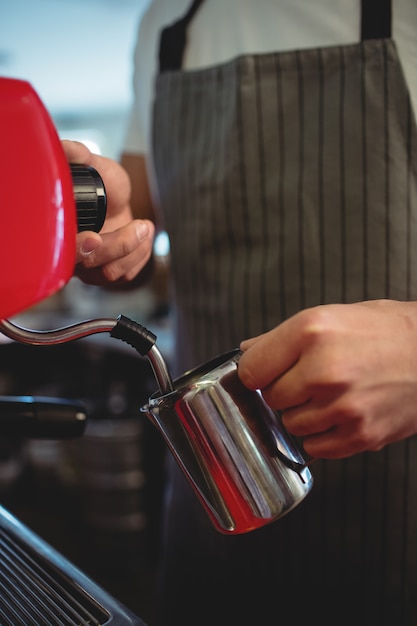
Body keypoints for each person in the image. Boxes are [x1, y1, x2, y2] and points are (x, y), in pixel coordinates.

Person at [69, 1, 417, 624]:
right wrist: (114, 236)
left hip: (396, 518)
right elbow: (138, 240)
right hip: (215, 510)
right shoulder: (165, 24)